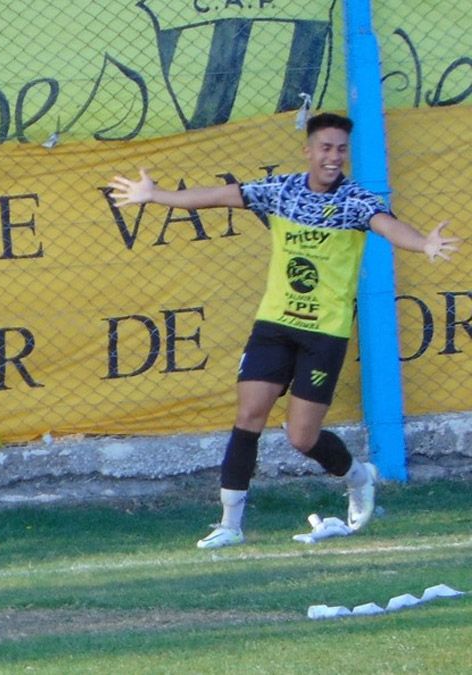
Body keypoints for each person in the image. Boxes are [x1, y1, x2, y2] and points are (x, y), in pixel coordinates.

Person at [107, 112, 459, 549]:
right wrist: (155, 195)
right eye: (326, 148)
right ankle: (230, 524)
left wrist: (423, 242)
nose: (333, 157)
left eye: (341, 149)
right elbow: (216, 196)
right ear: (308, 150)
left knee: (301, 437)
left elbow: (388, 226)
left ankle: (357, 476)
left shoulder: (356, 201)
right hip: (275, 324)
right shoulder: (281, 191)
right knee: (248, 415)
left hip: (323, 333)